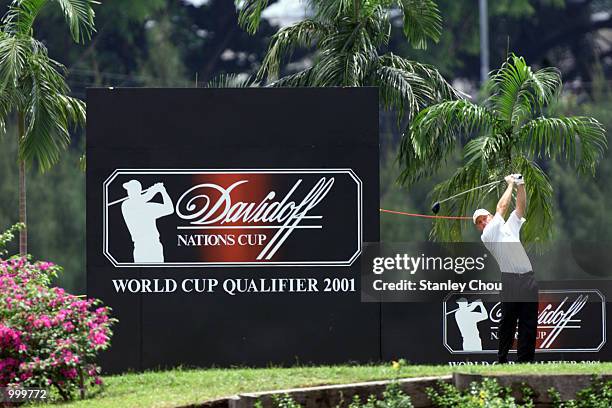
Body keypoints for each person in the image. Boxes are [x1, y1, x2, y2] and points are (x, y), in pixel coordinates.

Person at [472, 174, 539, 363]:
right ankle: (502, 360)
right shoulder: (488, 235)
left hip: (528, 279)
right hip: (510, 281)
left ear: (490, 217)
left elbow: (519, 209)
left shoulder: (508, 227)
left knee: (528, 323)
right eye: (479, 223)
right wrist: (510, 184)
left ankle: (526, 362)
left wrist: (521, 184)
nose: (483, 223)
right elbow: (502, 207)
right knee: (507, 323)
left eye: (484, 218)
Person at [121, 180, 174, 263]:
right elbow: (143, 199)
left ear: (138, 191)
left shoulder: (148, 207)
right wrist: (154, 190)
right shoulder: (126, 205)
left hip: (154, 246)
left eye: (131, 190)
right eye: (128, 190)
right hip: (140, 247)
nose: (129, 192)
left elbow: (169, 209)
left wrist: (163, 191)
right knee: (142, 275)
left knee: (158, 274)